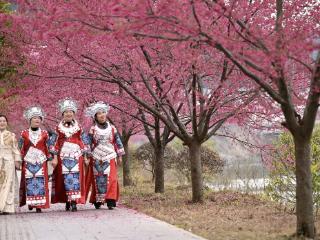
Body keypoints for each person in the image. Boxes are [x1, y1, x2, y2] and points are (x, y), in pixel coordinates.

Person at [50, 98, 89, 212]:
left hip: (77, 156)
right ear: (63, 114)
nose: (68, 113)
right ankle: (67, 200)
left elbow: (84, 142)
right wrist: (55, 158)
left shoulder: (79, 128)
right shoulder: (58, 128)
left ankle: (74, 202)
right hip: (63, 156)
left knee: (75, 178)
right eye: (66, 112)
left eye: (70, 112)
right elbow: (54, 143)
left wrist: (86, 157)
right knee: (65, 179)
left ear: (74, 113)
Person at [85, 102, 124, 210]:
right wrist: (87, 156)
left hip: (110, 155)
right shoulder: (93, 129)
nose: (102, 115)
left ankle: (111, 200)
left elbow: (118, 141)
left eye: (103, 112)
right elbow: (87, 142)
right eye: (99, 113)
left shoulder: (112, 128)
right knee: (98, 179)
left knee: (112, 179)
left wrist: (120, 155)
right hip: (97, 156)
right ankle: (98, 200)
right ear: (95, 116)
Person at [19, 106, 51, 213]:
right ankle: (31, 202)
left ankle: (39, 204)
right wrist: (20, 159)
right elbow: (21, 148)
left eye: (39, 118)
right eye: (35, 118)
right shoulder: (24, 133)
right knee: (30, 181)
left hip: (41, 162)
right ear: (30, 120)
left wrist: (50, 157)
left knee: (40, 181)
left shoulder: (45, 133)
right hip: (28, 162)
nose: (37, 120)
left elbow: (48, 147)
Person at [0, 114, 21, 214]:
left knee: (9, 183)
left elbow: (15, 149)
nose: (2, 123)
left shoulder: (11, 135)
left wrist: (17, 161)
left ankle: (7, 208)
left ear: (7, 123)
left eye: (4, 121)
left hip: (8, 162)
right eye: (0, 121)